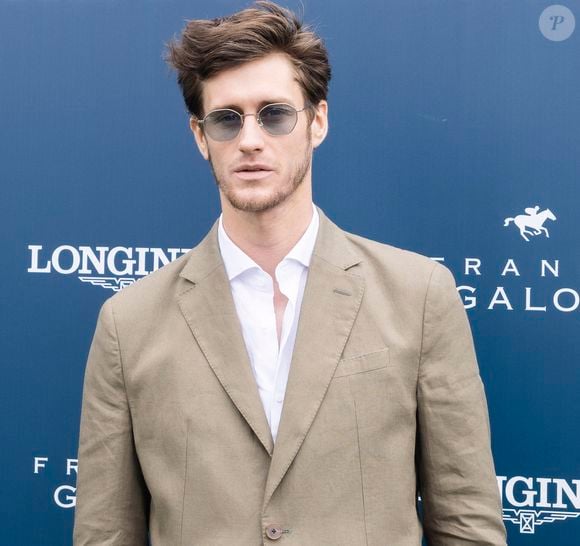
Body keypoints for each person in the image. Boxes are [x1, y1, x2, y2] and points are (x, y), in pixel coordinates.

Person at [73, 2, 507, 544]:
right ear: (199, 135)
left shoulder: (418, 296)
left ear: (317, 121)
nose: (250, 139)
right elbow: (104, 532)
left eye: (274, 113)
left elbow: (467, 521)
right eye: (226, 119)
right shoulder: (128, 323)